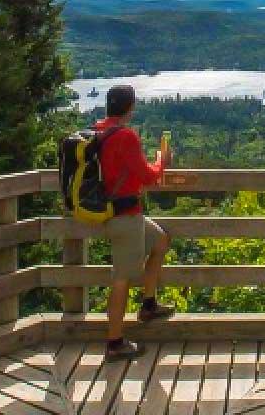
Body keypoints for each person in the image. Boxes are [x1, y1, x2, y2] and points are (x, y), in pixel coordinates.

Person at [89, 84, 174, 359]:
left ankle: (148, 303)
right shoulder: (125, 136)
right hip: (125, 216)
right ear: (130, 107)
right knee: (122, 280)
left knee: (160, 240)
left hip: (110, 211)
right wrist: (162, 161)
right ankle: (115, 343)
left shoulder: (98, 131)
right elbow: (148, 176)